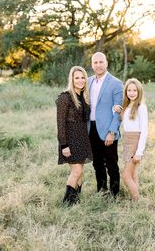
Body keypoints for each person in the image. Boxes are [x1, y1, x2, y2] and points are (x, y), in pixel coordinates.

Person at [56, 66, 93, 205]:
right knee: (76, 172)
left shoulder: (84, 97)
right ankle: (66, 203)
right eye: (77, 77)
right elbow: (60, 124)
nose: (80, 80)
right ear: (71, 79)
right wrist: (64, 145)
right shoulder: (65, 97)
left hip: (82, 139)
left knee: (80, 172)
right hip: (70, 141)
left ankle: (75, 200)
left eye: (83, 77)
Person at [88, 52, 123, 197]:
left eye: (101, 62)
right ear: (92, 65)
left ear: (106, 63)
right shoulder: (88, 81)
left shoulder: (116, 83)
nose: (98, 65)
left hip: (108, 130)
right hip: (92, 128)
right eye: (95, 62)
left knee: (111, 164)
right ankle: (102, 190)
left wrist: (112, 131)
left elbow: (118, 110)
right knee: (97, 163)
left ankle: (114, 193)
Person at [114, 78, 148, 201]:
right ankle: (135, 199)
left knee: (125, 175)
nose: (132, 93)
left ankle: (137, 200)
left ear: (139, 92)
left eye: (135, 90)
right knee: (133, 173)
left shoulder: (141, 107)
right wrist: (116, 109)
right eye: (129, 90)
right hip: (127, 141)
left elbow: (144, 131)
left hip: (135, 143)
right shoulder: (127, 106)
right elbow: (122, 118)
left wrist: (139, 152)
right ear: (126, 92)